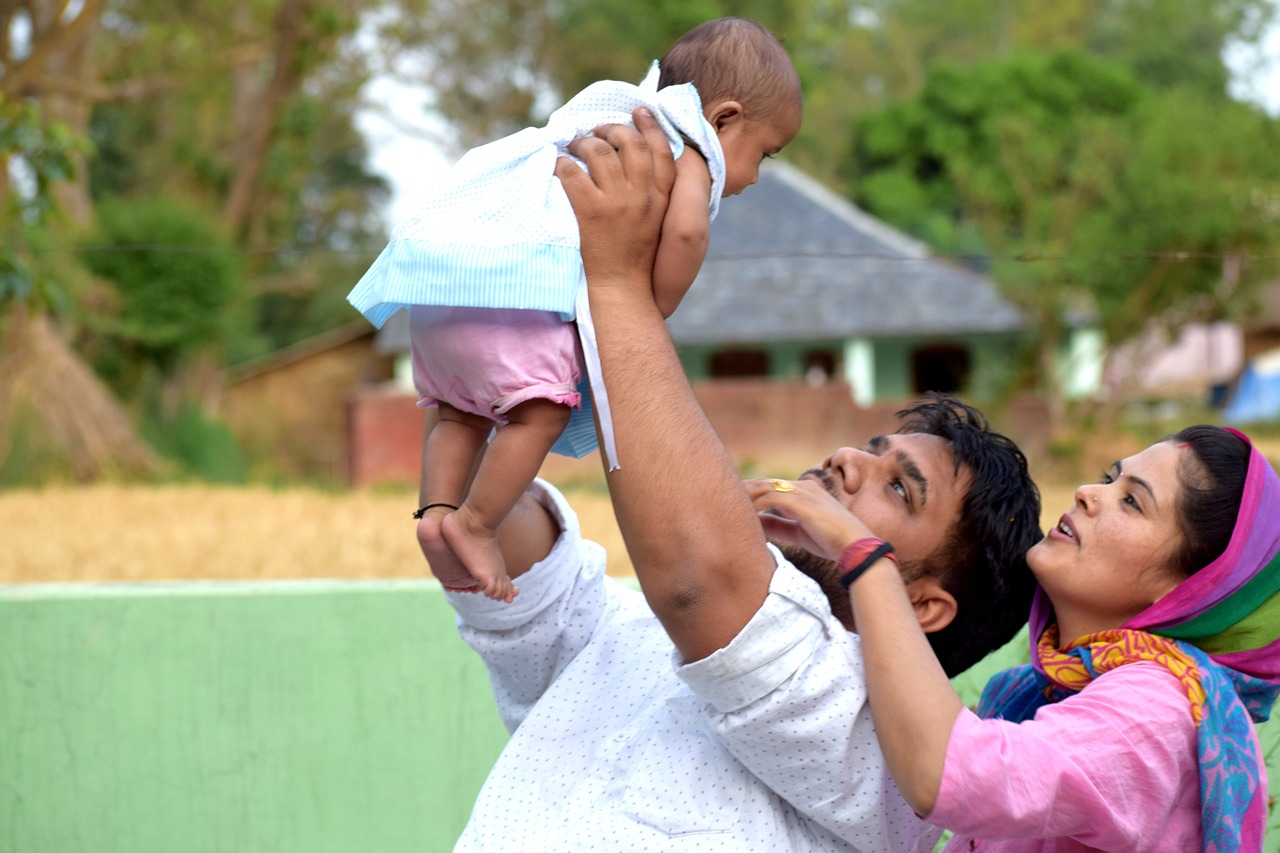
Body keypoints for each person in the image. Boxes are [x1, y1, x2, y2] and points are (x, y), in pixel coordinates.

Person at [431, 111, 1043, 851]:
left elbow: (702, 582)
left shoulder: (884, 753)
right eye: (874, 446)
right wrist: (497, 350)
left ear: (924, 603)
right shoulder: (639, 631)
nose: (850, 459)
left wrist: (617, 281)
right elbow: (510, 553)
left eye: (898, 486)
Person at [347, 17, 802, 602]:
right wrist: (650, 305)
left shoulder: (614, 110)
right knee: (537, 416)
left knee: (460, 415)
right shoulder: (687, 146)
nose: (756, 176)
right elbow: (686, 235)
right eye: (763, 154)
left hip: (452, 290)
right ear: (724, 119)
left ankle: (436, 512)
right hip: (516, 309)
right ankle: (474, 524)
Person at [753, 425, 1280, 851]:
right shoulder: (1036, 692)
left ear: (1191, 591)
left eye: (1132, 502)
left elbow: (949, 776)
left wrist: (863, 554)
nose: (1088, 494)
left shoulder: (1159, 712)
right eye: (1109, 478)